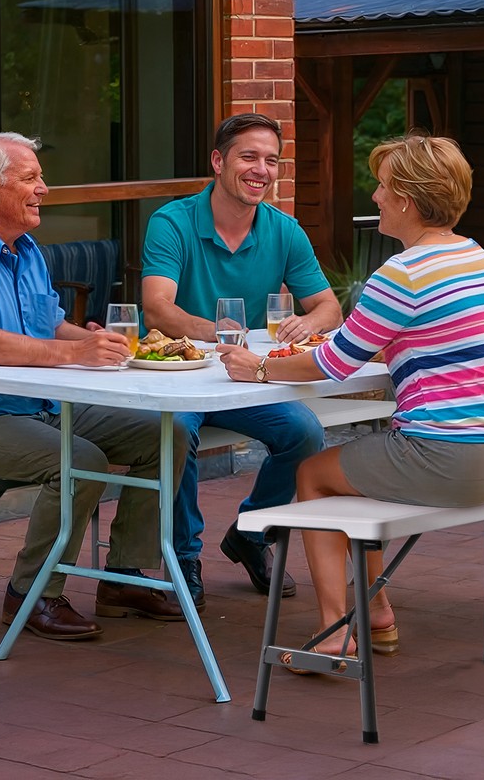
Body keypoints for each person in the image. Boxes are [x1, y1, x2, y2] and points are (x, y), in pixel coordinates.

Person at [217, 132, 484, 662]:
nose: (376, 198)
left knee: (314, 474)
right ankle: (377, 612)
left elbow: (334, 362)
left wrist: (261, 368)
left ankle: (335, 633)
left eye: (382, 188)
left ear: (407, 198)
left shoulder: (402, 272)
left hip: (452, 460)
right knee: (358, 470)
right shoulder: (478, 257)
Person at [0, 132, 189, 642]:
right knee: (82, 461)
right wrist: (76, 354)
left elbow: (50, 325)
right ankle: (32, 594)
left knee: (164, 435)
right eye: (31, 178)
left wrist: (102, 343)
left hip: (35, 407)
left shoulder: (28, 250)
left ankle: (124, 575)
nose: (44, 188)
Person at [142, 113, 343, 609]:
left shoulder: (284, 230)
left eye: (272, 160)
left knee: (304, 433)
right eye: (249, 157)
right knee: (174, 432)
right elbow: (156, 307)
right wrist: (213, 333)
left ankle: (253, 534)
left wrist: (310, 323)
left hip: (243, 378)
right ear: (218, 161)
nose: (262, 170)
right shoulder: (172, 222)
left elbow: (329, 306)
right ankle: (184, 556)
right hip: (179, 377)